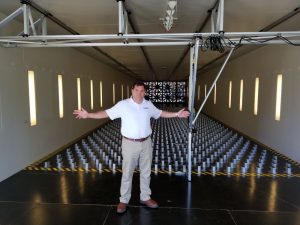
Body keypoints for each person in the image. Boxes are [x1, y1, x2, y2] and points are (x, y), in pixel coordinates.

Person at [73, 81, 190, 213]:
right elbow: (106, 113)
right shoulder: (123, 105)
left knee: (146, 172)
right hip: (130, 143)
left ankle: (145, 197)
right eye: (136, 90)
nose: (139, 93)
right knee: (127, 172)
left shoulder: (148, 104)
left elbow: (160, 113)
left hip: (146, 142)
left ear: (145, 92)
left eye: (142, 91)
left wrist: (176, 114)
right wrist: (88, 115)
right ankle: (124, 200)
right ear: (132, 90)